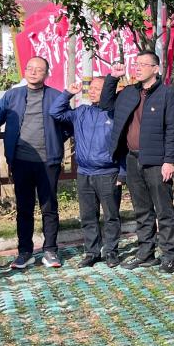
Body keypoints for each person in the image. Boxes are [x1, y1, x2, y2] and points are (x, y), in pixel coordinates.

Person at [0, 56, 71, 270]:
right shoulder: (12, 95)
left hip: (48, 162)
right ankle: (25, 252)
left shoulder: (56, 96)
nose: (33, 72)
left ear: (47, 74)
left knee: (49, 207)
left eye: (38, 69)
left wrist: (54, 140)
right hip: (20, 161)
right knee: (24, 208)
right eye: (30, 68)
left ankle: (50, 250)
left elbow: (69, 124)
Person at [102, 54, 174, 272]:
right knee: (142, 210)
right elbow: (106, 104)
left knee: (163, 210)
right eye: (136, 65)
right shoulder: (129, 92)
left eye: (143, 65)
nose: (137, 68)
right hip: (132, 158)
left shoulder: (167, 94)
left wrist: (170, 161)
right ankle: (146, 253)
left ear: (155, 69)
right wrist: (112, 78)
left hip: (157, 162)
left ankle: (169, 255)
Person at [50, 77, 124, 268]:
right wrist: (68, 93)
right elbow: (55, 112)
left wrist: (122, 173)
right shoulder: (81, 112)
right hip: (84, 172)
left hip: (108, 173)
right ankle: (92, 252)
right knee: (88, 216)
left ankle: (111, 251)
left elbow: (124, 145)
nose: (92, 92)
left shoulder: (116, 114)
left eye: (97, 89)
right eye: (90, 88)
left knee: (111, 216)